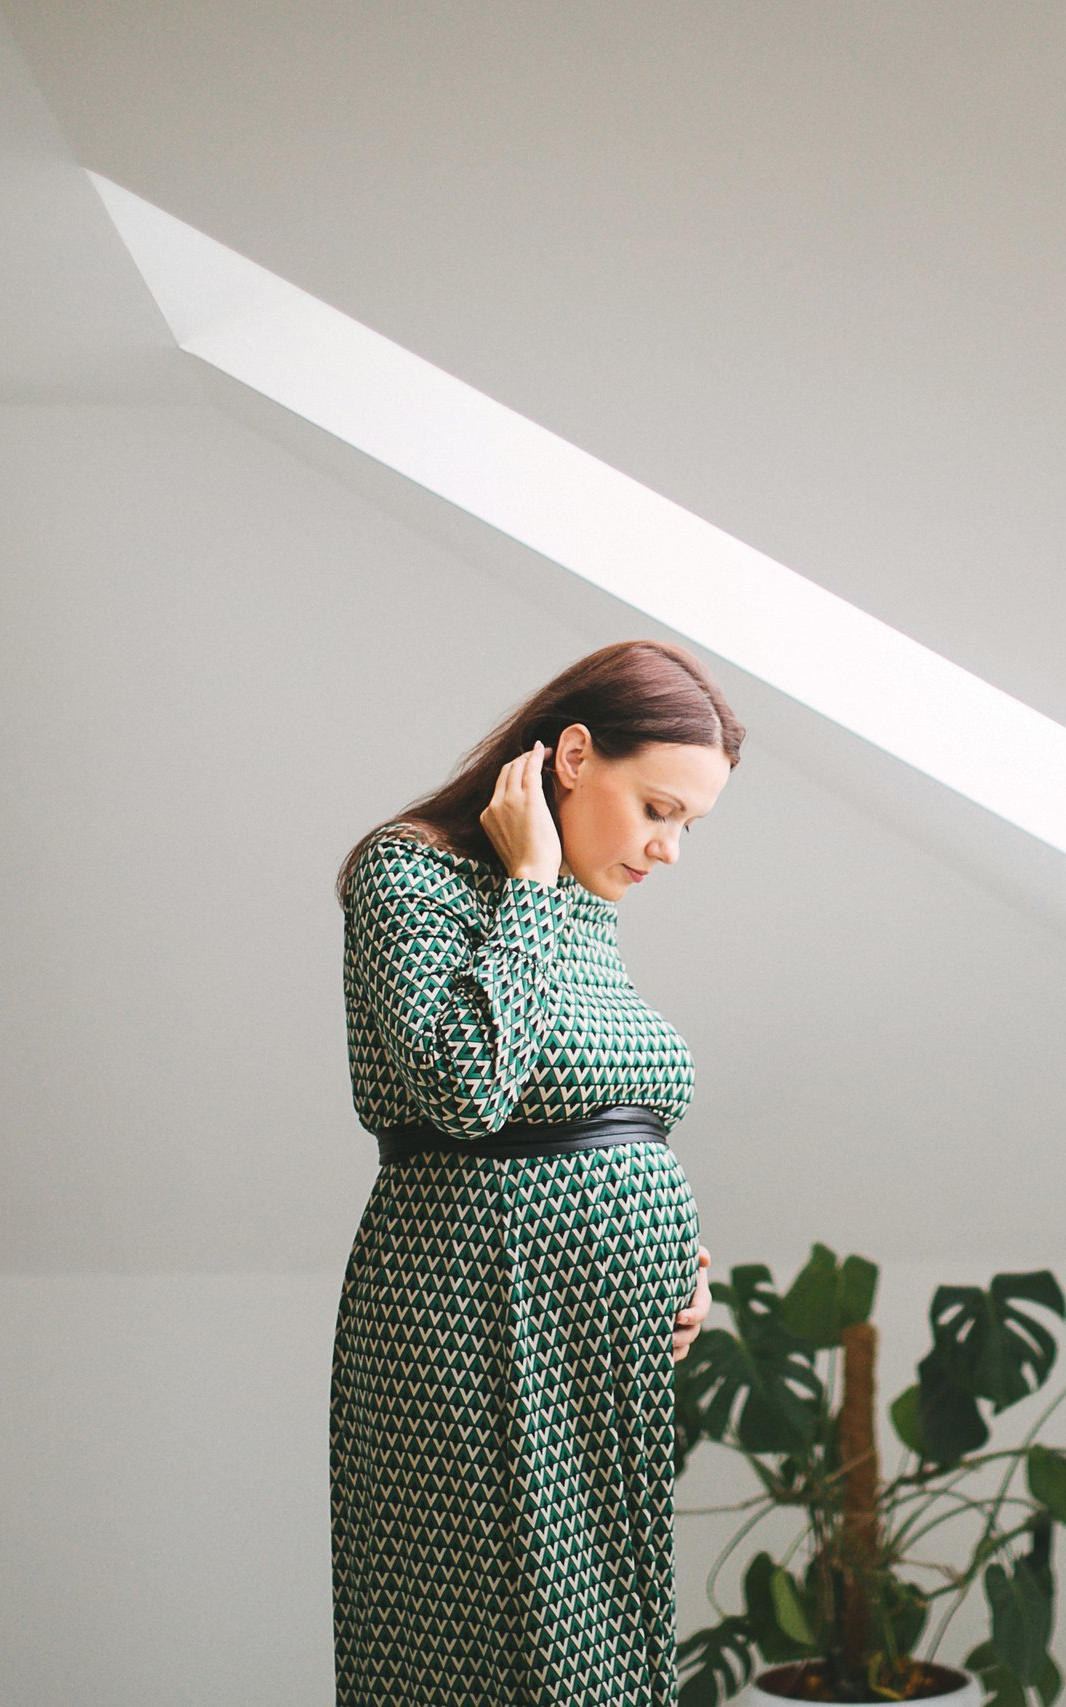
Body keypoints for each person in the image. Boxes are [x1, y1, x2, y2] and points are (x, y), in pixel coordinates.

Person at [328, 639, 741, 1706]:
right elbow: (467, 1088)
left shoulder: (584, 916)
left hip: (592, 1349)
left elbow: (614, 1117)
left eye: (688, 826)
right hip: (476, 1322)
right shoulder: (408, 873)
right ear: (571, 755)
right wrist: (530, 883)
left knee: (603, 1649)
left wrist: (677, 1265)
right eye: (658, 808)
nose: (669, 850)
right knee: (496, 1654)